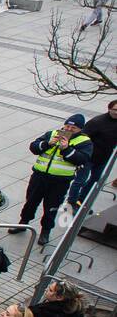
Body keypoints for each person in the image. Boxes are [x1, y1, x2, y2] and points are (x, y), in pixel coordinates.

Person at [12, 114, 92, 246]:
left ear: (80, 129)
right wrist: (47, 144)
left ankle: (46, 231)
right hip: (39, 176)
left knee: (51, 207)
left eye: (73, 127)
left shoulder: (84, 142)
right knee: (31, 201)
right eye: (67, 126)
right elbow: (34, 147)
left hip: (60, 181)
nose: (69, 129)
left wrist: (66, 149)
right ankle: (23, 223)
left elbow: (82, 159)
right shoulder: (52, 134)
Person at [73, 98, 117, 206]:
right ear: (109, 109)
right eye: (114, 109)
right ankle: (72, 202)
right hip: (88, 157)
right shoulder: (97, 122)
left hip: (104, 157)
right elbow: (82, 136)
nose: (116, 112)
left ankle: (81, 201)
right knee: (80, 180)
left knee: (95, 180)